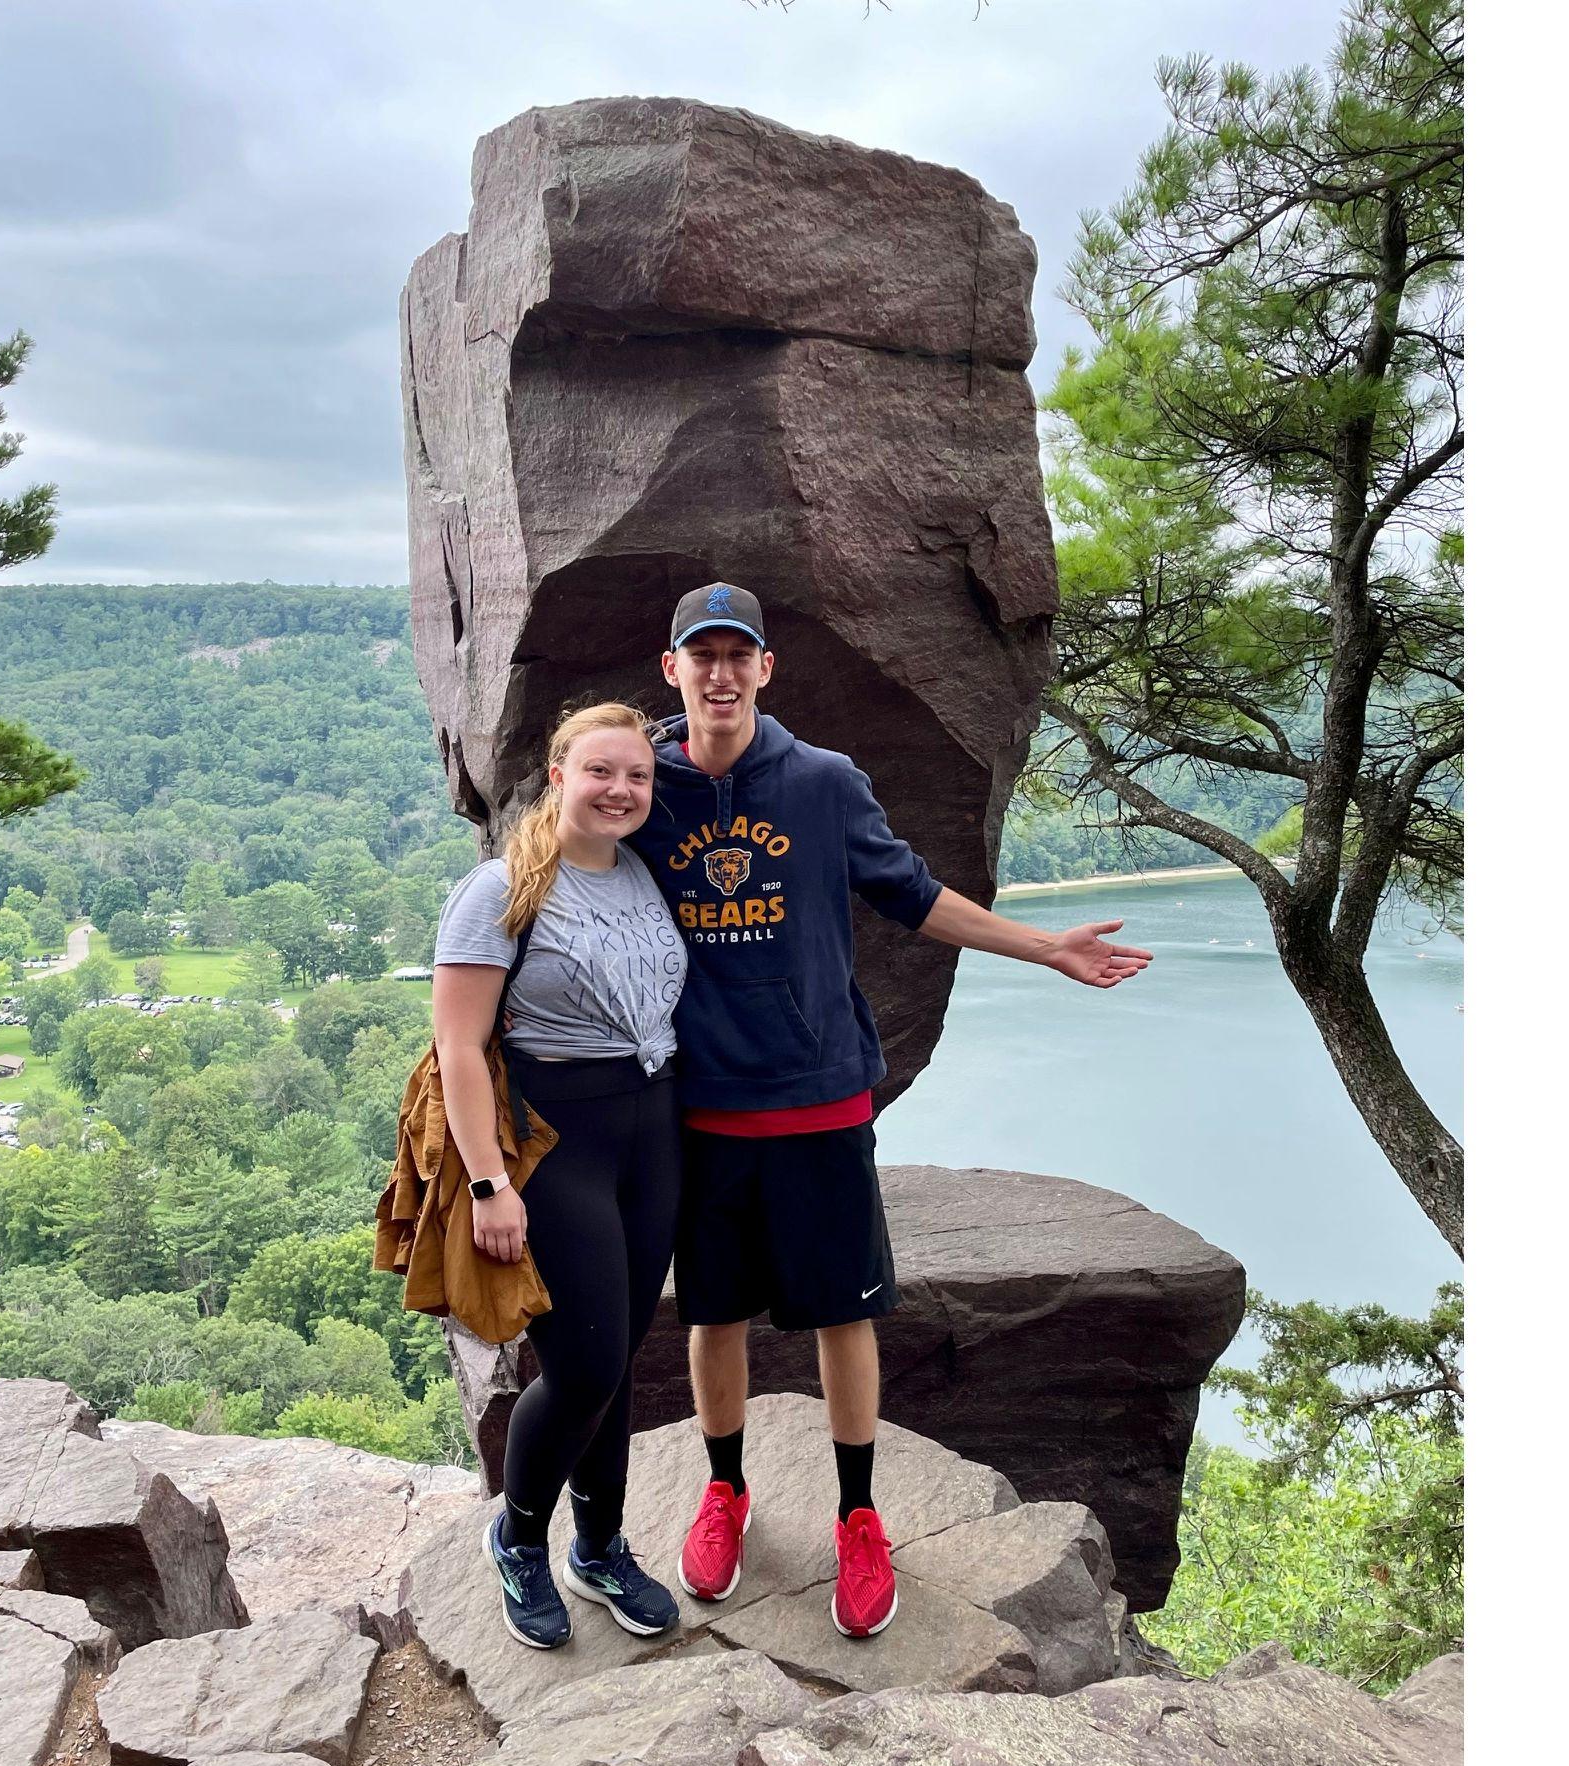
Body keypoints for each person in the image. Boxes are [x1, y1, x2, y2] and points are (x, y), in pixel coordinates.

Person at [629, 582, 1154, 1638]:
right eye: (703, 656)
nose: (721, 673)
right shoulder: (645, 791)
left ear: (766, 670)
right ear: (672, 669)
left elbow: (913, 894)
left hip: (819, 1104)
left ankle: (859, 1517)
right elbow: (564, 882)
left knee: (845, 1313)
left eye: (740, 654)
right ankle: (725, 1491)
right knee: (713, 1315)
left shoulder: (822, 783)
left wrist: (1047, 946)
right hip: (702, 1108)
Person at [433, 702, 689, 1650]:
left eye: (638, 776)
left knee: (618, 1360)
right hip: (555, 1145)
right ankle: (520, 1538)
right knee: (581, 1366)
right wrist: (490, 1184)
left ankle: (602, 1544)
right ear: (558, 777)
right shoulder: (502, 889)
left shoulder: (641, 877)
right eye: (601, 772)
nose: (621, 790)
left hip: (653, 1134)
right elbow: (459, 1046)